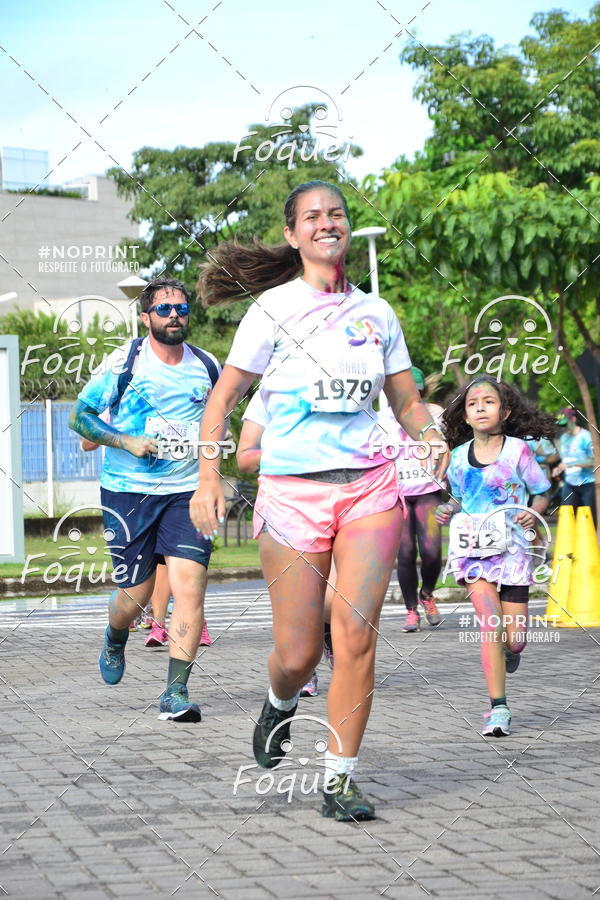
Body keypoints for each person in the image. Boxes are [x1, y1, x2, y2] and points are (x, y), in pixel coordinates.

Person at [191, 180, 448, 821]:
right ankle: (280, 702)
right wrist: (207, 478)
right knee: (300, 652)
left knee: (357, 635)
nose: (326, 223)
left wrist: (432, 434)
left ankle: (339, 779)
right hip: (293, 495)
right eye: (313, 216)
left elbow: (405, 401)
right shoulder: (272, 310)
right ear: (292, 234)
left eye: (336, 214)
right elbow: (222, 400)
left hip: (370, 489)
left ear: (346, 228)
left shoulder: (378, 315)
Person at [69, 277, 220, 722]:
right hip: (128, 492)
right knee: (134, 597)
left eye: (182, 308)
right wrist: (125, 440)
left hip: (185, 494)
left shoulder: (208, 366)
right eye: (164, 309)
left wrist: (211, 479)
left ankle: (176, 692)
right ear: (145, 317)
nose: (175, 315)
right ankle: (116, 636)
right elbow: (81, 416)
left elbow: (218, 424)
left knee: (190, 587)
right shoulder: (125, 362)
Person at [436, 378, 554, 737]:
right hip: (474, 552)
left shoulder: (518, 451)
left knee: (514, 638)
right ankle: (498, 709)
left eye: (489, 402)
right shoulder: (457, 458)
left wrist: (533, 513)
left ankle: (511, 651)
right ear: (466, 416)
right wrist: (447, 509)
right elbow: (459, 498)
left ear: (504, 412)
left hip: (514, 548)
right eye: (474, 404)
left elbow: (542, 493)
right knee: (490, 624)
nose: (481, 408)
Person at [236, 391, 334, 697]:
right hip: (289, 508)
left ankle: (327, 632)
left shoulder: (342, 384)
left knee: (333, 597)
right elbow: (245, 457)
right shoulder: (270, 393)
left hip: (344, 501)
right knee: (300, 600)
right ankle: (306, 667)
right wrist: (291, 452)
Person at [380, 367, 444, 632]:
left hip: (429, 489)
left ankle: (427, 594)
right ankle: (411, 611)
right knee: (405, 553)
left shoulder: (437, 414)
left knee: (431, 551)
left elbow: (449, 445)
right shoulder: (381, 418)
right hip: (398, 493)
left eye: (415, 389)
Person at [552, 407, 596, 524]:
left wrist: (572, 464)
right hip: (570, 483)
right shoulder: (564, 438)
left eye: (565, 424)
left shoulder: (586, 437)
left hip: (588, 483)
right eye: (561, 426)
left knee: (589, 518)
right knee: (568, 515)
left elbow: (595, 461)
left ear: (574, 419)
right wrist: (559, 467)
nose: (564, 428)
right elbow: (565, 460)